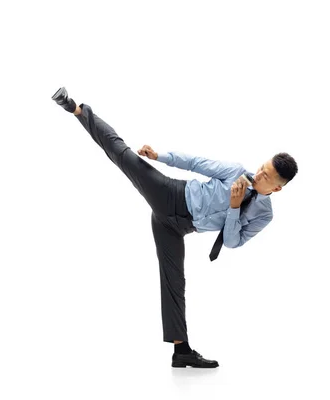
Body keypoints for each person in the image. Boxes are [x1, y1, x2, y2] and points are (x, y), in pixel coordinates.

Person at [51, 87, 298, 368]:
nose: (258, 174)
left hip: (178, 227)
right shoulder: (236, 171)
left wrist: (234, 207)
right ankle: (77, 109)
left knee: (174, 283)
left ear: (277, 189)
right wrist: (159, 156)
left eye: (266, 176)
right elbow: (195, 163)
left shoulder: (264, 215)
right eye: (262, 167)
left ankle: (182, 351)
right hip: (171, 194)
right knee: (123, 155)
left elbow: (232, 242)